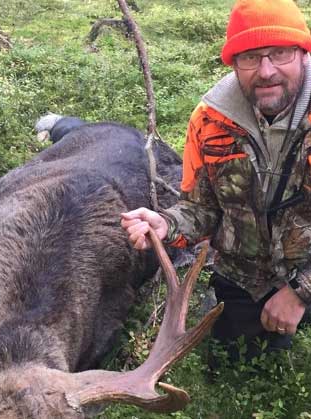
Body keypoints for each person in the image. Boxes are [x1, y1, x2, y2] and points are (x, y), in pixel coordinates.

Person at [122, 0, 311, 365]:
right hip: (245, 278)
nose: (266, 70)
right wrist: (168, 224)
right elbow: (203, 208)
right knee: (230, 368)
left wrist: (299, 292)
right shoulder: (209, 122)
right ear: (233, 62)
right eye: (250, 57)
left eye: (280, 53)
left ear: (303, 52)